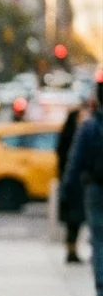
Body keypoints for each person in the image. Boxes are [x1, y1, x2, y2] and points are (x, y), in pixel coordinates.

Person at [65, 91, 103, 296]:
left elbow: (75, 160)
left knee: (98, 240)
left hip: (95, 188)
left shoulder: (89, 128)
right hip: (94, 188)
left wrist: (68, 189)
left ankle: (101, 292)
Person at [58, 104, 88, 265]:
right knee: (73, 220)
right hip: (74, 184)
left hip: (76, 183)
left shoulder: (79, 133)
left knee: (77, 220)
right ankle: (71, 249)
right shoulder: (74, 136)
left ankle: (73, 249)